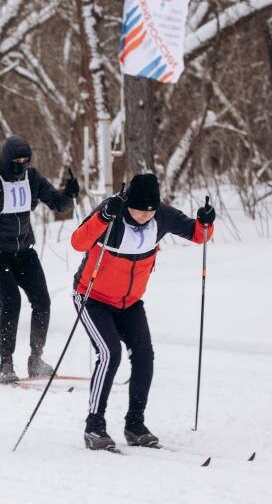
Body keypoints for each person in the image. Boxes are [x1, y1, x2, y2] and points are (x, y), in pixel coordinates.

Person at [70, 174, 215, 451]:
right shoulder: (111, 212)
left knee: (144, 355)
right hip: (92, 298)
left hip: (130, 302)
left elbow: (199, 235)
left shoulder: (161, 215)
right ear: (128, 204)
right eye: (138, 210)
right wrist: (102, 217)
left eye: (149, 211)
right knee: (109, 353)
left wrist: (207, 221)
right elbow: (78, 242)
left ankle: (135, 424)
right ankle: (94, 425)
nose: (144, 216)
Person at [0, 135, 79, 383]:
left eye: (25, 160)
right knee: (11, 302)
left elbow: (57, 204)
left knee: (42, 301)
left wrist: (69, 194)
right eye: (16, 160)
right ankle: (6, 363)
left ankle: (36, 358)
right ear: (6, 159)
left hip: (24, 252)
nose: (21, 165)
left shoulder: (32, 177)